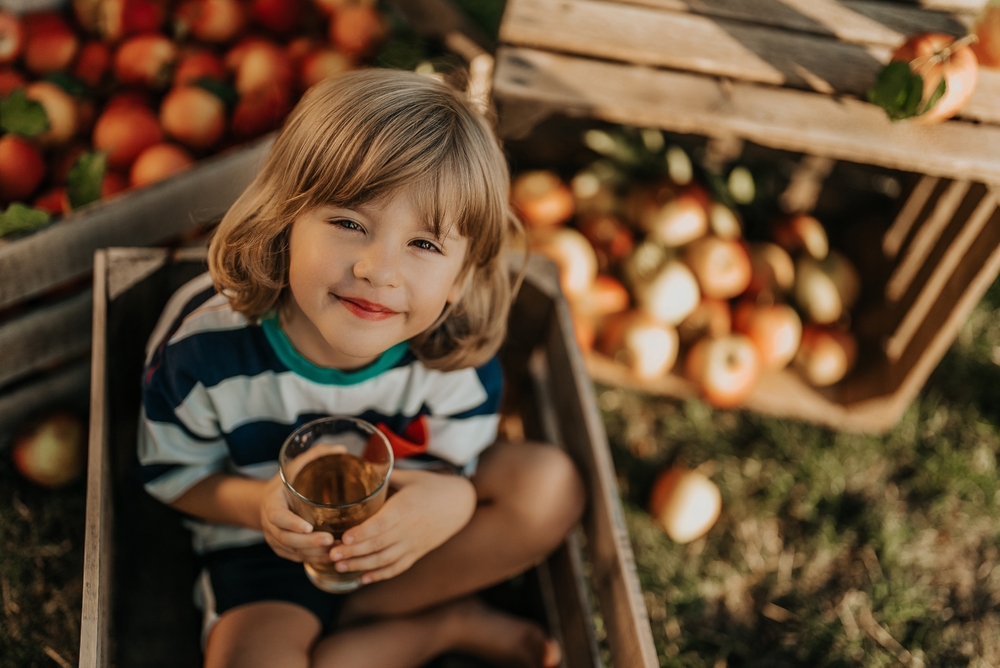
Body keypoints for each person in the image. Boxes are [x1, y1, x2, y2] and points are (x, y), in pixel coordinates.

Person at [138, 68, 585, 668]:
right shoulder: (202, 355)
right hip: (268, 553)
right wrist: (259, 506)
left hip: (403, 544)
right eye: (349, 223)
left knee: (549, 489)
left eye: (424, 245)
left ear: (459, 282)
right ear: (285, 220)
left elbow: (459, 467)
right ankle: (421, 633)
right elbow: (175, 475)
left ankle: (386, 627)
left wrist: (452, 498)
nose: (380, 269)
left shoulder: (451, 365)